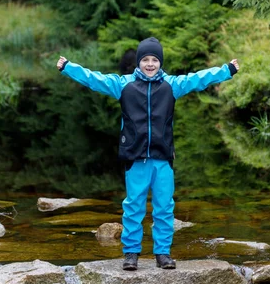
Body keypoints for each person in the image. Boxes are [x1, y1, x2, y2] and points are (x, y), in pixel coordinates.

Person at [57, 37, 239, 270]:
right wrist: (69, 67)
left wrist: (227, 70)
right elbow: (95, 80)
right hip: (135, 158)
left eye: (155, 60)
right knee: (134, 206)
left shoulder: (172, 85)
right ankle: (131, 254)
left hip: (163, 159)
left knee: (164, 207)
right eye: (145, 59)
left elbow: (198, 79)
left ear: (160, 63)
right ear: (138, 62)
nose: (150, 64)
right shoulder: (123, 85)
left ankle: (162, 254)